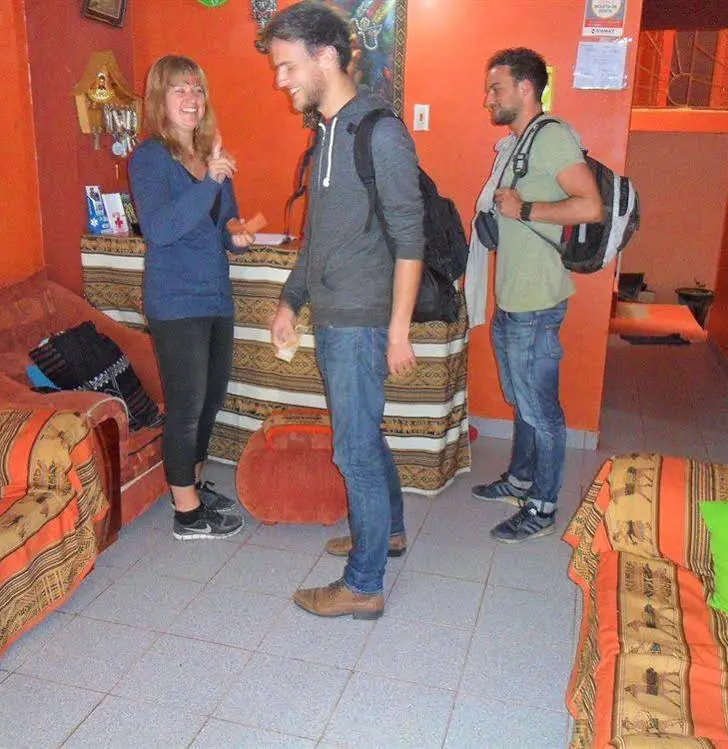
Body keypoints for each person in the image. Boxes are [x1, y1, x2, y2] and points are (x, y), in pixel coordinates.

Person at [261, 1, 424, 620]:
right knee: (365, 438)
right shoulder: (327, 131)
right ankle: (389, 533)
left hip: (359, 320)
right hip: (333, 314)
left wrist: (398, 331)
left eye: (288, 66)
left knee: (353, 450)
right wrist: (289, 300)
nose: (281, 80)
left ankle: (363, 584)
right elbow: (317, 238)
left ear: (326, 56)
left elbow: (410, 238)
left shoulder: (379, 132)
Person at [472, 48, 602, 542]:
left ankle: (542, 507)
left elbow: (590, 206)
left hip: (537, 302)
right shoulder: (518, 143)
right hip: (512, 298)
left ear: (526, 88)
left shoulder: (552, 137)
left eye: (496, 88)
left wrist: (525, 210)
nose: (488, 99)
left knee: (541, 410)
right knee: (523, 400)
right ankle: (520, 480)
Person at [129, 55, 253, 540]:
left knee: (210, 401)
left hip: (215, 296)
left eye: (197, 89)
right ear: (160, 98)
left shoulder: (211, 156)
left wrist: (238, 234)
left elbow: (223, 224)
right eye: (179, 88)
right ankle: (186, 514)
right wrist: (211, 181)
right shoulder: (149, 158)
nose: (191, 98)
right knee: (186, 404)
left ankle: (193, 487)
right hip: (176, 299)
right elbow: (160, 229)